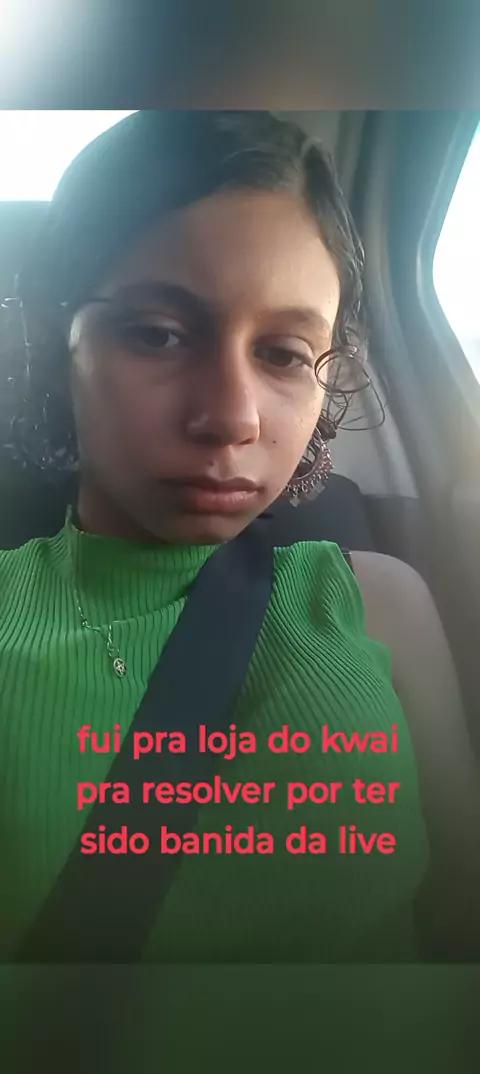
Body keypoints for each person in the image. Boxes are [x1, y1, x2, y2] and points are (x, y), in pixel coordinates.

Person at [0, 109, 478, 963]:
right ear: (56, 341)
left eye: (286, 353)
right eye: (157, 335)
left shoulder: (381, 604)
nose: (231, 417)